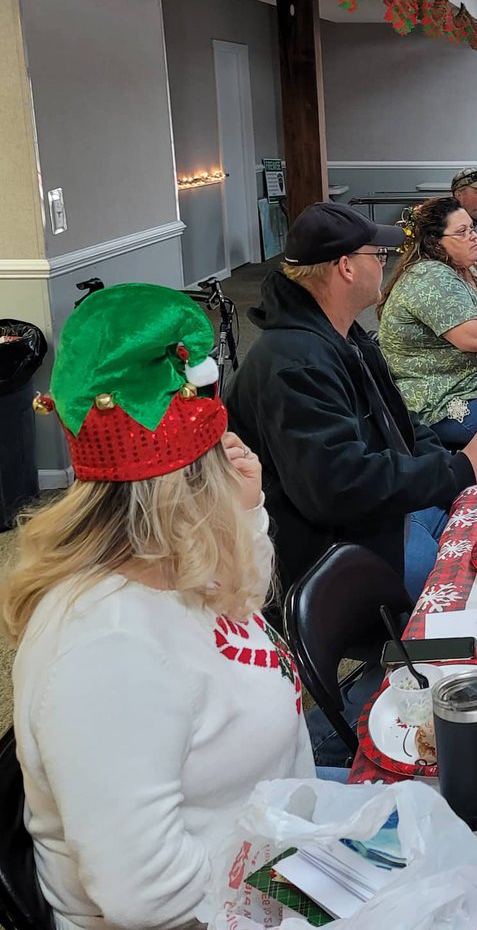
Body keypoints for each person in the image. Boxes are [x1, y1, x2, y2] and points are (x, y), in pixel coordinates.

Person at [6, 284, 313, 930]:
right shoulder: (103, 647)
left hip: (288, 859)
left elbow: (237, 612)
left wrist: (251, 513)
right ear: (188, 485)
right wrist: (306, 892)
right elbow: (150, 901)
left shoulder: (171, 559)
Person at [225, 202, 477, 599]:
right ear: (346, 267)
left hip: (377, 516)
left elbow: (399, 423)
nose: (385, 266)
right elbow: (338, 487)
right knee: (475, 581)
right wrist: (457, 470)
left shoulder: (340, 334)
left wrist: (455, 468)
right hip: (331, 552)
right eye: (379, 255)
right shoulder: (293, 363)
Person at [377, 197, 477, 448]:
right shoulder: (430, 276)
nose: (473, 237)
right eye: (462, 232)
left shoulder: (464, 267)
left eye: (472, 229)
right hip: (444, 400)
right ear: (435, 242)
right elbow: (474, 339)